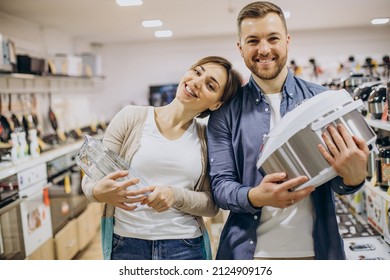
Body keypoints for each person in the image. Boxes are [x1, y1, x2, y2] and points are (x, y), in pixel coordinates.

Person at [207, 1, 370, 260]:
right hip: (249, 257)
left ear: (287, 41)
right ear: (240, 48)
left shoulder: (324, 100)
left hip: (318, 255)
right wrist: (255, 196)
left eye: (273, 38)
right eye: (252, 41)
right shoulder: (225, 113)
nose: (264, 49)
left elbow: (342, 182)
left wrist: (355, 176)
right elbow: (220, 187)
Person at [81, 55, 243, 260]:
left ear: (217, 104)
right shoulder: (131, 118)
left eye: (210, 86)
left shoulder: (208, 139)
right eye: (197, 72)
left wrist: (175, 196)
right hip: (126, 245)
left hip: (185, 247)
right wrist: (98, 192)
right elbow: (91, 178)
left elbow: (212, 205)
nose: (196, 83)